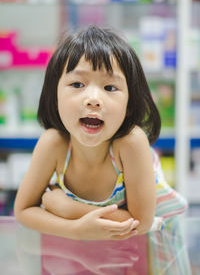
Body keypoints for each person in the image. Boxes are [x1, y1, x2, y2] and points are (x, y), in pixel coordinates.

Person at [14, 26, 187, 241]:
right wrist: (76, 230)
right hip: (78, 252)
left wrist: (67, 208)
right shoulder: (54, 143)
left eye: (110, 88)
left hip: (141, 249)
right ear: (54, 95)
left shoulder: (130, 143)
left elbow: (141, 223)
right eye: (77, 84)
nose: (93, 98)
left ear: (130, 103)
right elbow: (22, 211)